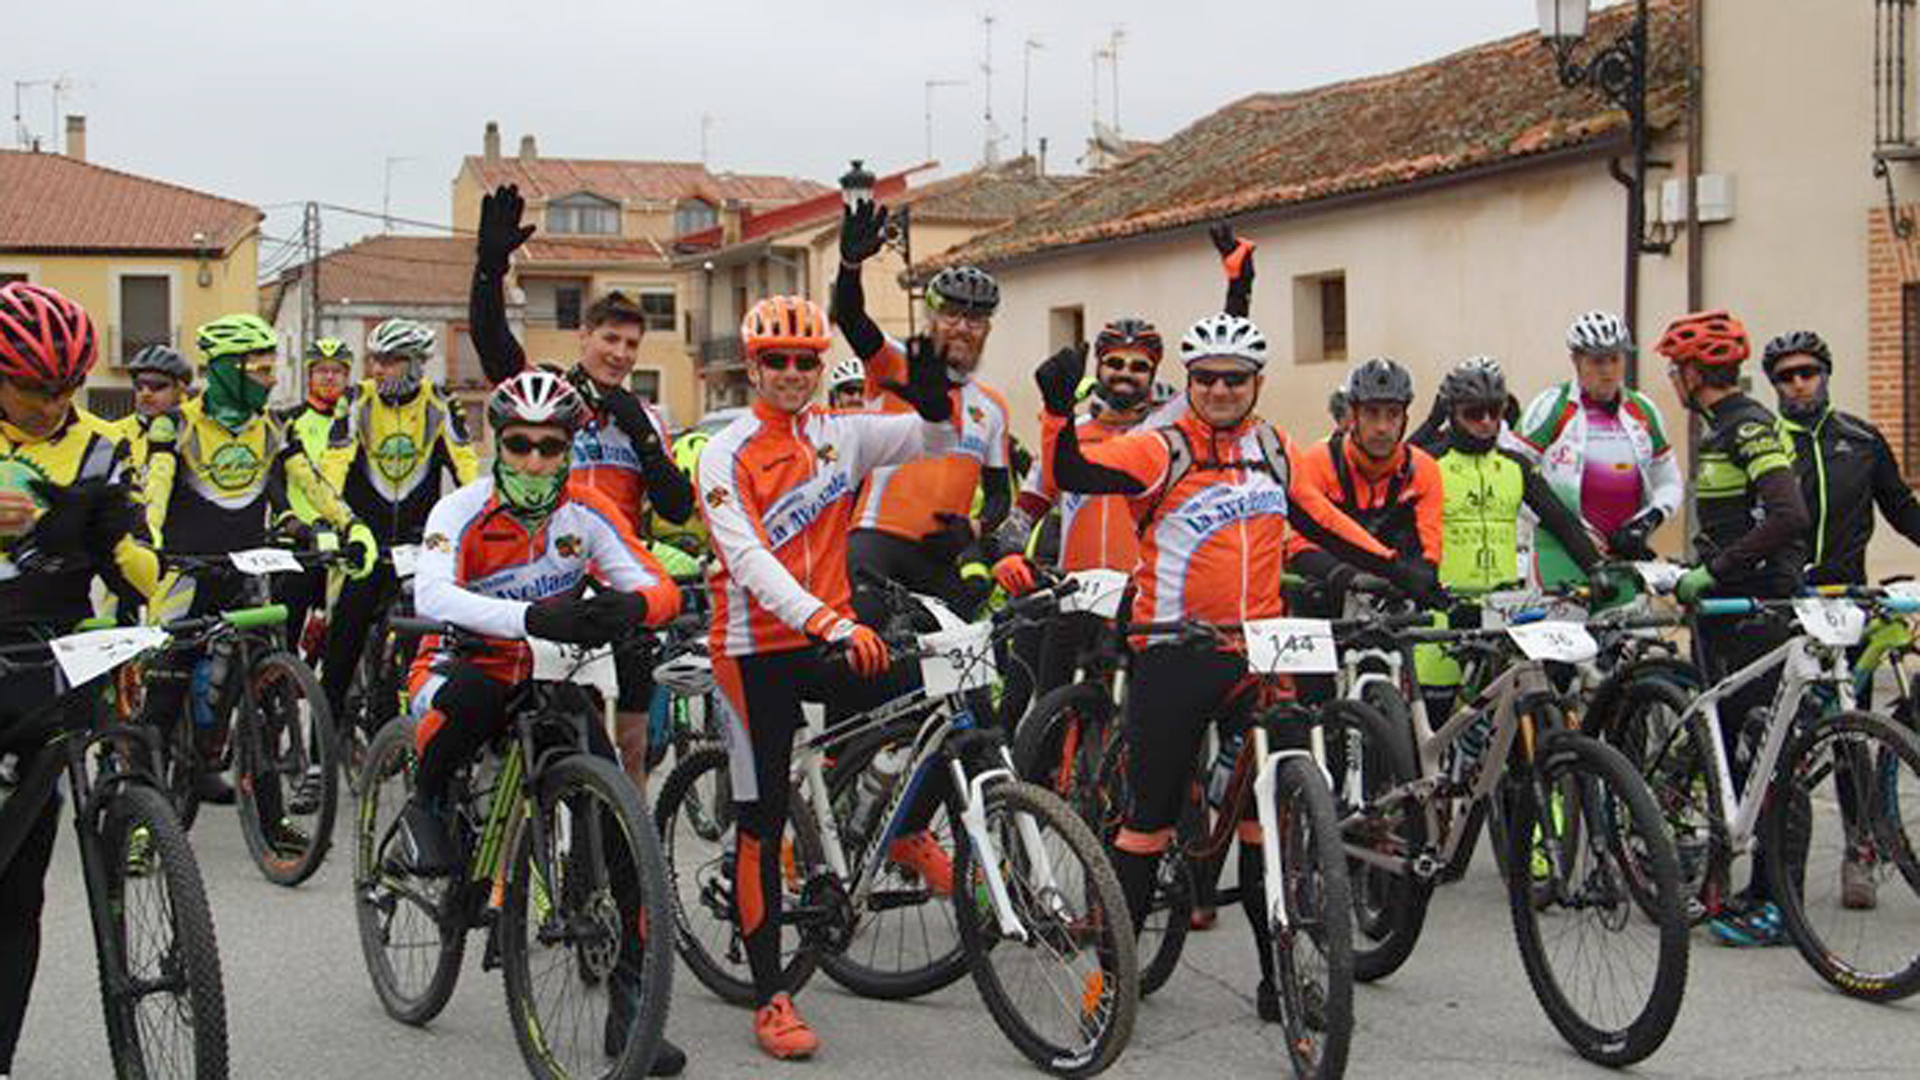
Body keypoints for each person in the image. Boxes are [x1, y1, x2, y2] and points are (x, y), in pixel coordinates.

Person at [1037, 312, 1442, 1021]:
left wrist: (1398, 568)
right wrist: (1053, 412)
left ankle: (1278, 980)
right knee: (1146, 828)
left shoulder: (1274, 447)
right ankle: (1110, 987)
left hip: (1257, 649)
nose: (1221, 389)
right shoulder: (1157, 449)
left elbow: (1318, 519)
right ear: (1189, 382)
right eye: (1206, 378)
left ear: (1258, 383)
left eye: (1236, 378)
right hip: (1172, 648)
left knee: (1272, 821)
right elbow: (1073, 470)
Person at [393, 368, 686, 1075]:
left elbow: (658, 583)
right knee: (470, 701)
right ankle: (425, 802)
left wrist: (632, 610)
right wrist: (526, 617)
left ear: (568, 449)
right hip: (460, 665)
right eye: (519, 445)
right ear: (500, 444)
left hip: (551, 670)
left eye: (549, 447)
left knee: (620, 836)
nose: (533, 461)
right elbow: (432, 592)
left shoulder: (585, 514)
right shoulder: (459, 510)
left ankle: (631, 1014)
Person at [697, 296, 959, 1060]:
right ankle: (772, 995)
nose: (790, 374)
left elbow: (939, 435)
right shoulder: (729, 450)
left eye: (805, 361)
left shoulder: (840, 435)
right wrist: (830, 621)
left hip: (827, 632)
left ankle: (896, 826)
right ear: (752, 367)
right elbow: (746, 561)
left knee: (928, 696)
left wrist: (919, 376)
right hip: (754, 649)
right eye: (775, 361)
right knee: (761, 817)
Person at [470, 183, 697, 780]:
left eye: (631, 344)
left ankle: (628, 863)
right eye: (610, 340)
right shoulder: (549, 394)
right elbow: (494, 347)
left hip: (620, 586)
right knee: (563, 731)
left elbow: (675, 507)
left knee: (632, 744)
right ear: (584, 338)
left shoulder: (642, 417)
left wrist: (641, 435)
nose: (620, 354)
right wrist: (490, 271)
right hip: (549, 579)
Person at [0, 283, 162, 1079]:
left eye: (67, 388)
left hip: (45, 666)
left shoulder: (103, 445)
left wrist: (127, 545)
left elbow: (139, 562)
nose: (53, 404)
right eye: (35, 389)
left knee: (18, 889)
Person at [141, 313, 375, 814]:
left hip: (247, 572)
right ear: (226, 369)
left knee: (266, 688)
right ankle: (143, 815)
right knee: (167, 686)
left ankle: (267, 817)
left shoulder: (271, 426)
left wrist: (350, 523)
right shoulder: (177, 424)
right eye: (261, 370)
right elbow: (156, 487)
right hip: (186, 572)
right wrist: (149, 537)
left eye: (272, 370)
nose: (271, 380)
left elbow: (309, 480)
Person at [1657, 309, 1810, 947]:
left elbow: (1787, 514)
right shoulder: (1722, 429)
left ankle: (1779, 905)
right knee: (1741, 755)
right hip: (1727, 610)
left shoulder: (1746, 428)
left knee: (1770, 758)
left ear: (1694, 374)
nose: (1672, 381)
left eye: (1674, 371)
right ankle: (1742, 891)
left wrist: (1715, 570)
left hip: (1751, 613)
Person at [1763, 328, 1920, 910]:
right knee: (1773, 731)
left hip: (1847, 604)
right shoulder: (1766, 442)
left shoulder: (1861, 438)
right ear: (1774, 384)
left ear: (1826, 374)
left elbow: (1901, 508)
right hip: (1783, 604)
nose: (1799, 383)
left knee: (1852, 727)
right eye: (1786, 376)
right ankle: (1758, 848)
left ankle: (1861, 851)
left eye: (1809, 372)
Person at [831, 194, 1011, 617]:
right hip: (877, 540)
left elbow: (1000, 494)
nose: (963, 327)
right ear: (929, 316)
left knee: (968, 667)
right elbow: (853, 318)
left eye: (976, 319)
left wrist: (975, 527)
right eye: (951, 314)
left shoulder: (992, 407)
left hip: (941, 555)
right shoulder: (896, 362)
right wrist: (850, 266)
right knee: (870, 647)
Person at [1415, 358, 1608, 720]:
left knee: (1521, 711)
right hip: (1444, 608)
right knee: (1436, 719)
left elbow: (1561, 521)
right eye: (1474, 413)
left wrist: (1597, 568)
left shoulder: (1515, 465)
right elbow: (1394, 526)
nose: (1487, 422)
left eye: (1495, 412)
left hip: (1505, 607)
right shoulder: (1428, 463)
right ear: (1452, 414)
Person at [316, 317, 478, 738]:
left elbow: (467, 468)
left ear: (414, 364)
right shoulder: (355, 400)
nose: (377, 370)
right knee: (343, 641)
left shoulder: (440, 403)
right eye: (374, 360)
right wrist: (334, 523)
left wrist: (481, 520)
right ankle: (322, 756)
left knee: (423, 638)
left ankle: (419, 733)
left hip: (416, 543)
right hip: (364, 542)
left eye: (388, 362)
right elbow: (332, 468)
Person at [1515, 311, 1684, 585]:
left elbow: (1669, 481)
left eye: (1615, 359)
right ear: (1576, 361)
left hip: (1623, 557)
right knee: (1562, 629)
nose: (1607, 370)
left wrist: (1647, 521)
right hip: (1559, 556)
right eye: (1596, 361)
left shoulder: (1643, 409)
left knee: (1633, 629)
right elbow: (1512, 479)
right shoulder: (1550, 407)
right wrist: (1571, 531)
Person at [272, 337, 356, 654]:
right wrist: (289, 520)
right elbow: (275, 480)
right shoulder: (288, 420)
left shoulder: (354, 422)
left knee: (338, 633)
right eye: (322, 370)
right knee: (286, 630)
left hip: (342, 539)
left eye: (337, 371)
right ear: (309, 375)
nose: (329, 377)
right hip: (300, 540)